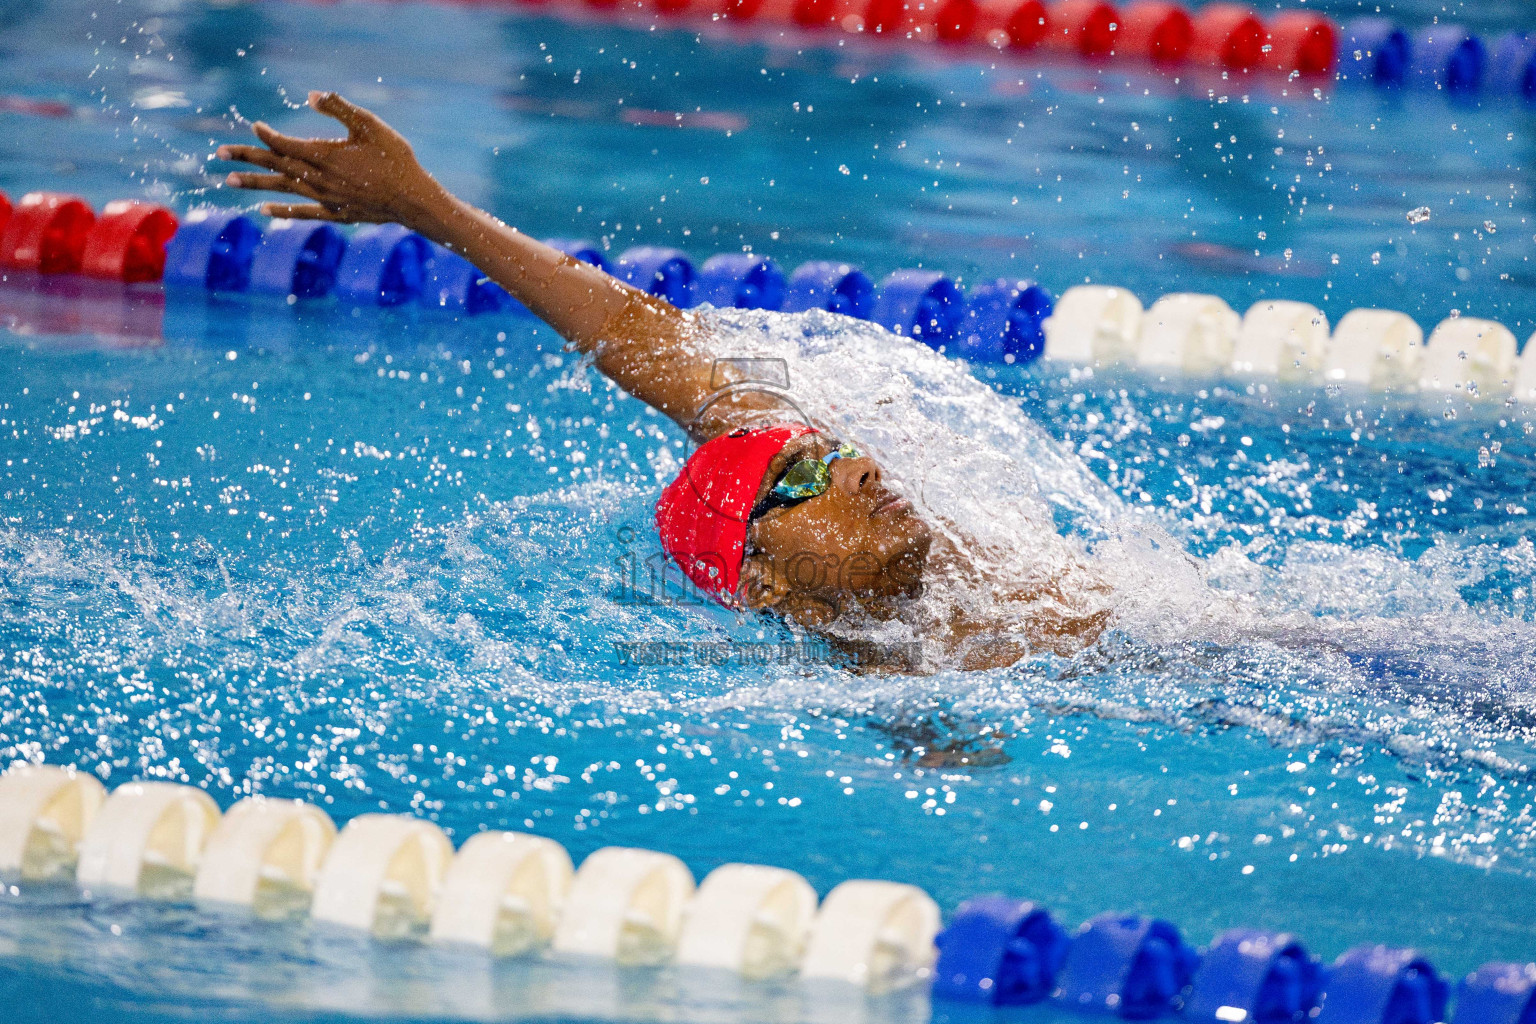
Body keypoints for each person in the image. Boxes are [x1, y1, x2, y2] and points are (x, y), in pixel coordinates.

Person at [217, 91, 1111, 671]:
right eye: (800, 478)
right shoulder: (903, 681)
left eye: (830, 452)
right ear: (768, 588)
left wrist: (431, 210)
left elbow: (633, 334)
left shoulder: (937, 565)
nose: (859, 469)